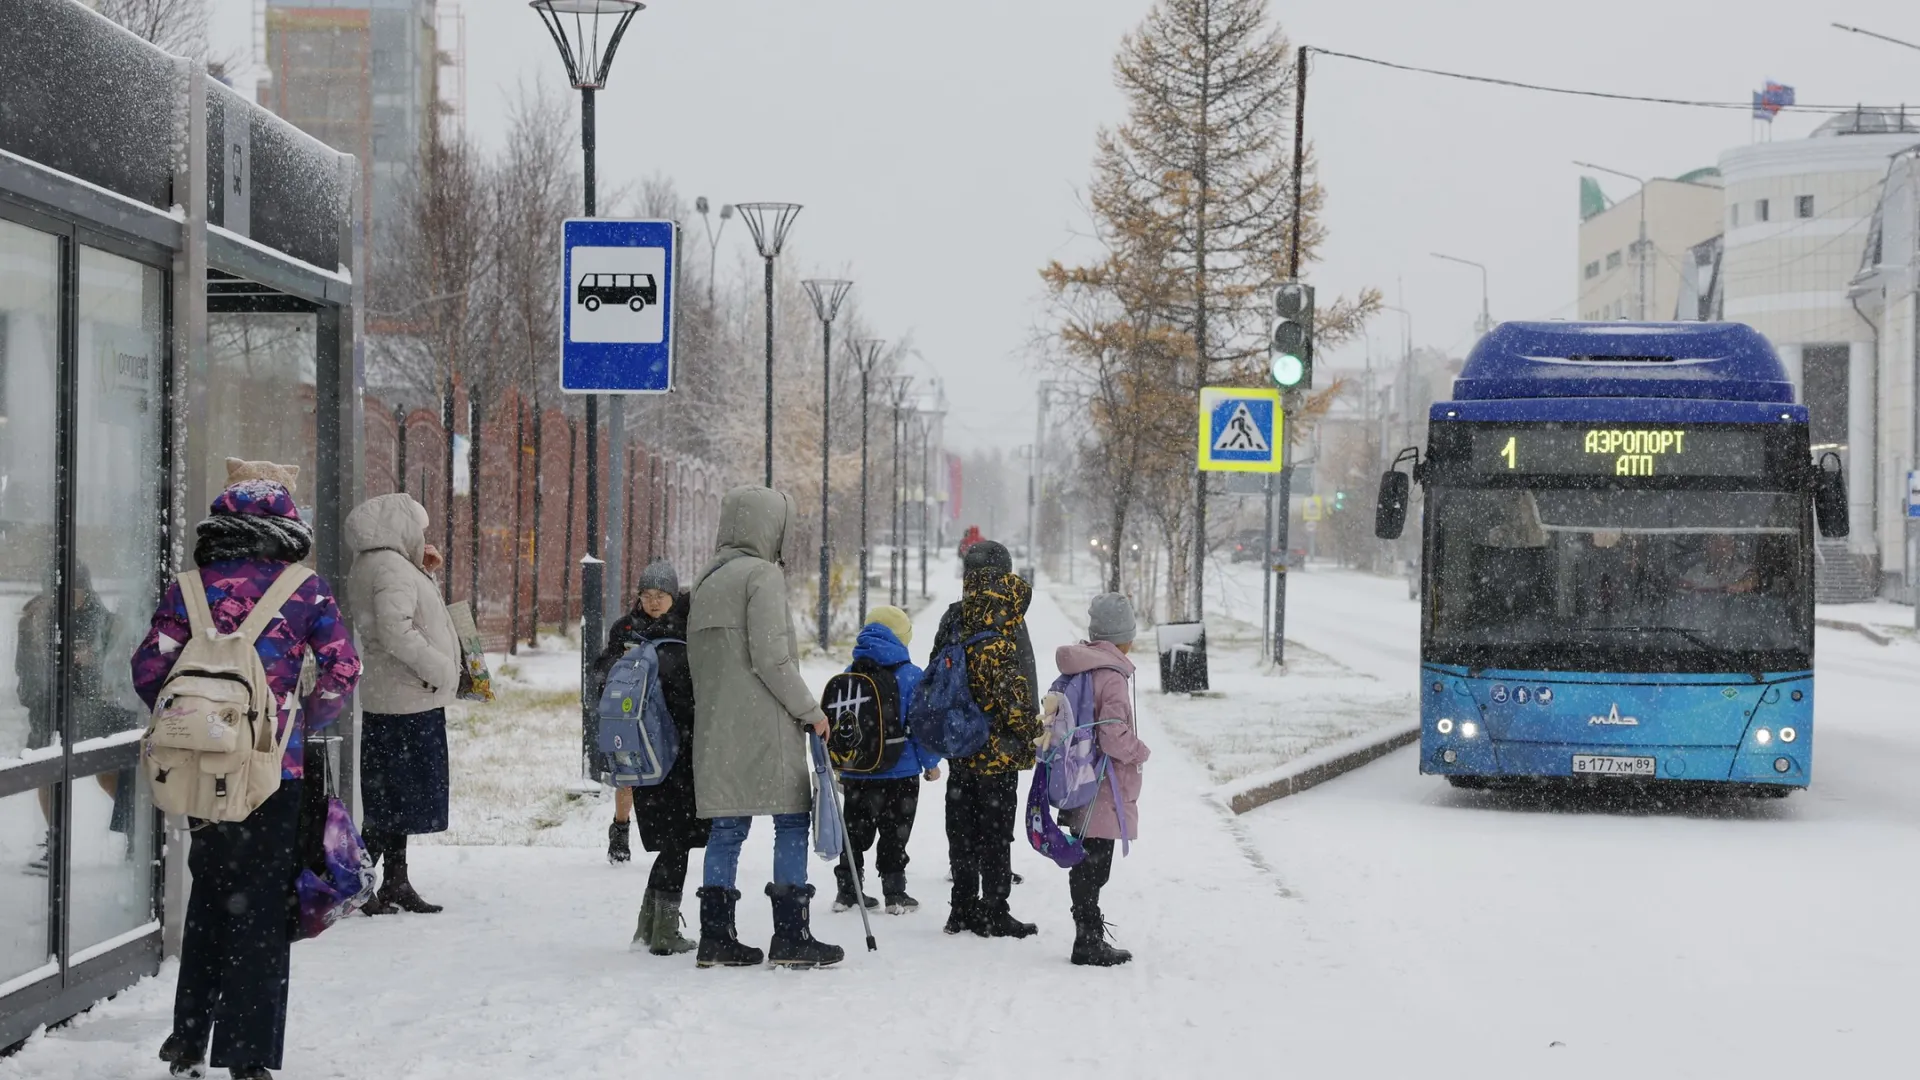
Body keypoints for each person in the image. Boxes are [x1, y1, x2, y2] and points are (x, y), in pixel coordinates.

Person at [134, 459, 361, 1080]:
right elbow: (344, 670)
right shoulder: (305, 589)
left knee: (210, 894)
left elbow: (150, 669)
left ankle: (186, 1041)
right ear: (287, 527)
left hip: (202, 773)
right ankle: (248, 1055)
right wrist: (297, 724)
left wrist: (198, 726)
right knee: (258, 909)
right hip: (272, 774)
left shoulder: (189, 586)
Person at [687, 486, 841, 969]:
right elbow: (773, 660)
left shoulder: (706, 581)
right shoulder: (762, 576)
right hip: (766, 727)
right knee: (792, 821)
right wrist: (812, 712)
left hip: (717, 728)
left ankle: (716, 936)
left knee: (728, 826)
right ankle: (792, 936)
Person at [345, 492, 460, 916]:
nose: (422, 535)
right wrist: (441, 670)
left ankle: (393, 879)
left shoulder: (385, 565)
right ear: (400, 525)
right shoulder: (390, 568)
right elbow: (396, 632)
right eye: (419, 528)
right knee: (393, 800)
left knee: (394, 799)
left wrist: (422, 570)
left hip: (400, 697)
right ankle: (353, 882)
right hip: (407, 701)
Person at [591, 560, 707, 955]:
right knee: (679, 842)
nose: (654, 602)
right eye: (647, 595)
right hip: (670, 754)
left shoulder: (656, 639)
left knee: (672, 842)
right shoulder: (677, 641)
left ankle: (651, 924)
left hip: (644, 753)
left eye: (661, 595)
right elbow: (688, 706)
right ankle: (663, 932)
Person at [940, 553, 1041, 940]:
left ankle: (962, 907)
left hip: (960, 744)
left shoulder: (954, 618)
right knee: (996, 832)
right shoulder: (1001, 633)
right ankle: (995, 910)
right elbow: (1017, 694)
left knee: (961, 829)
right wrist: (1031, 731)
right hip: (996, 751)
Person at [16, 561, 136, 875]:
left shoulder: (105, 622)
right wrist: (36, 693)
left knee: (108, 774)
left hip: (95, 711)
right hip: (49, 708)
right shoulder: (34, 622)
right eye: (61, 593)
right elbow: (25, 670)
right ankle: (55, 842)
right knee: (47, 772)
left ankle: (138, 832)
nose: (69, 599)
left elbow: (116, 676)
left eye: (76, 592)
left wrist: (89, 663)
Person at [1054, 592, 1151, 967]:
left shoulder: (1081, 667)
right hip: (1103, 786)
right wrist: (1139, 751)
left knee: (1086, 863)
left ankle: (1087, 933)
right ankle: (1088, 941)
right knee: (1095, 867)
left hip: (1079, 779)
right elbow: (1113, 736)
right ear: (1124, 637)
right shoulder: (1112, 677)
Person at [833, 605, 941, 915]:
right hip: (900, 771)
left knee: (854, 833)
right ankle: (895, 893)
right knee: (896, 833)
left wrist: (841, 765)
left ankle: (847, 891)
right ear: (902, 637)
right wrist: (929, 762)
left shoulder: (849, 673)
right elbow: (922, 726)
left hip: (858, 770)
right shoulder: (912, 676)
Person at [1679, 534, 1758, 595]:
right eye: (1714, 542)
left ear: (1733, 548)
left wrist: (1745, 584)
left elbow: (1752, 579)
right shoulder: (1696, 570)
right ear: (1707, 547)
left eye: (1725, 543)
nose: (1720, 549)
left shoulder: (1744, 571)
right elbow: (1680, 586)